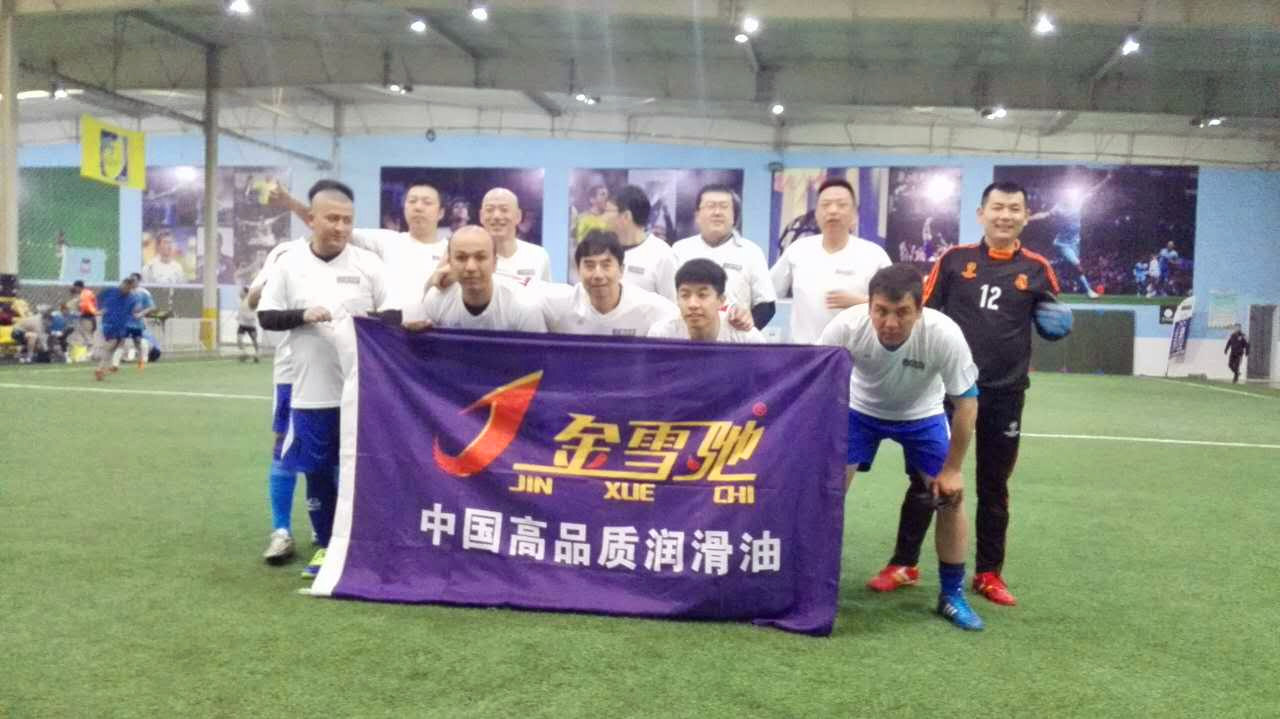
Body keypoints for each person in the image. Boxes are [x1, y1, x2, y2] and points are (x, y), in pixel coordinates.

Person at [870, 181, 1065, 608]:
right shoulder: (954, 261)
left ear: (1025, 217)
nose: (1005, 216)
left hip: (1005, 392)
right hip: (946, 391)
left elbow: (1052, 316)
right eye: (997, 207)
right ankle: (904, 563)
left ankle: (988, 573)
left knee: (993, 484)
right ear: (981, 214)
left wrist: (1058, 322)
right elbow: (923, 314)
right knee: (927, 478)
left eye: (1014, 209)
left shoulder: (1038, 269)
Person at [820, 263, 984, 631]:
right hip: (859, 410)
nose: (890, 322)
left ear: (919, 309)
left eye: (902, 312)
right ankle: (815, 585)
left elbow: (967, 404)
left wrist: (953, 470)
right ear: (869, 306)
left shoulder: (944, 334)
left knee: (950, 498)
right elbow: (815, 381)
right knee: (826, 494)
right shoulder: (846, 326)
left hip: (921, 414)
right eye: (881, 311)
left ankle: (952, 594)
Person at [257, 180, 388, 579]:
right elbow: (266, 315)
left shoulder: (369, 264)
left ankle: (362, 544)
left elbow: (394, 314)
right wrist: (303, 314)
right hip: (311, 390)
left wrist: (367, 322)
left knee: (359, 469)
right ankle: (326, 546)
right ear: (311, 219)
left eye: (347, 220)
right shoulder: (288, 263)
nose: (341, 227)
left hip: (361, 391)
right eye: (332, 218)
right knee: (315, 469)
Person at [275, 181, 449, 312]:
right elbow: (329, 226)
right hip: (394, 337)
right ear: (404, 207)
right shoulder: (388, 240)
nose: (418, 207)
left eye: (427, 202)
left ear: (441, 212)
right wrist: (290, 202)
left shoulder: (451, 250)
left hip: (437, 333)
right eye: (412, 201)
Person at [770, 179, 891, 343]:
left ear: (854, 215)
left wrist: (862, 302)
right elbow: (767, 292)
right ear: (816, 214)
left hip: (855, 352)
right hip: (806, 351)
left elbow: (895, 302)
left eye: (841, 205)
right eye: (825, 205)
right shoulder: (798, 250)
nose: (833, 210)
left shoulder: (874, 255)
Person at [248, 236, 307, 564]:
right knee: (285, 444)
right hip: (291, 369)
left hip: (343, 371)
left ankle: (330, 533)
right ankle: (281, 530)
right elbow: (253, 299)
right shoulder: (286, 251)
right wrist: (271, 286)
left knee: (337, 451)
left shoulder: (358, 255)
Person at [403, 226, 546, 332]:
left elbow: (539, 360)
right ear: (450, 263)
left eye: (480, 257)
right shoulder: (436, 300)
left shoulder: (524, 306)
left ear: (495, 264)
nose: (470, 267)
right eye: (461, 258)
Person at [673, 184, 776, 328]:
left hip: (734, 338)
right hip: (686, 336)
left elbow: (767, 305)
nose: (717, 212)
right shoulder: (680, 250)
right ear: (697, 216)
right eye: (710, 206)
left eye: (724, 207)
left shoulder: (751, 252)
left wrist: (746, 330)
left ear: (734, 216)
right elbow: (668, 299)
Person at [540, 230, 679, 336]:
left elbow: (677, 316)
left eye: (606, 265)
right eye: (589, 266)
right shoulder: (561, 305)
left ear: (621, 270)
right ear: (578, 270)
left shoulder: (649, 307)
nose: (598, 275)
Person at [1027, 172, 1108, 298]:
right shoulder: (1059, 208)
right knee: (1077, 265)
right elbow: (1044, 215)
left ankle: (1051, 263)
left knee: (1074, 268)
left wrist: (1106, 179)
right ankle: (1089, 292)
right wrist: (1029, 218)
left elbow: (1093, 190)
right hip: (1062, 244)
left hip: (1075, 242)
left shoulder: (1078, 201)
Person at [648, 259, 764, 343]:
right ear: (677, 299)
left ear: (721, 300)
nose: (692, 304)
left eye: (702, 295)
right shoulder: (661, 335)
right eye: (685, 295)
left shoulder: (747, 339)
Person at [604, 185, 678, 302]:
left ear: (626, 216)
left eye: (608, 211)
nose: (604, 217)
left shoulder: (662, 255)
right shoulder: (603, 250)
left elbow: (673, 304)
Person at [481, 188, 552, 285]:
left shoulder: (538, 255)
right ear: (481, 216)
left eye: (504, 210)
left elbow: (546, 293)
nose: (496, 216)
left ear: (518, 216)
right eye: (489, 210)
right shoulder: (471, 259)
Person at [92, 275, 144, 381]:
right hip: (109, 323)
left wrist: (136, 314)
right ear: (122, 284)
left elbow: (131, 312)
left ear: (130, 288)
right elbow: (97, 298)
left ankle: (103, 368)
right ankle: (100, 368)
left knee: (116, 346)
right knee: (112, 344)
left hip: (122, 324)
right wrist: (99, 309)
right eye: (124, 286)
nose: (124, 288)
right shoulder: (110, 291)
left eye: (128, 287)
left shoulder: (132, 298)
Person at [571, 183, 611, 250]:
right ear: (592, 200)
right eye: (602, 194)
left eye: (607, 195)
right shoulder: (583, 218)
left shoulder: (610, 219)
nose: (606, 198)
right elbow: (579, 244)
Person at [236, 286, 260, 362]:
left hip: (251, 324)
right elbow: (241, 311)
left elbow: (255, 311)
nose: (240, 293)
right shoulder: (242, 301)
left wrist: (250, 317)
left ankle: (257, 354)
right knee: (239, 339)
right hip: (242, 324)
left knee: (254, 340)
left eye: (241, 292)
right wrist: (238, 316)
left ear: (246, 293)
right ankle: (244, 353)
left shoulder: (251, 301)